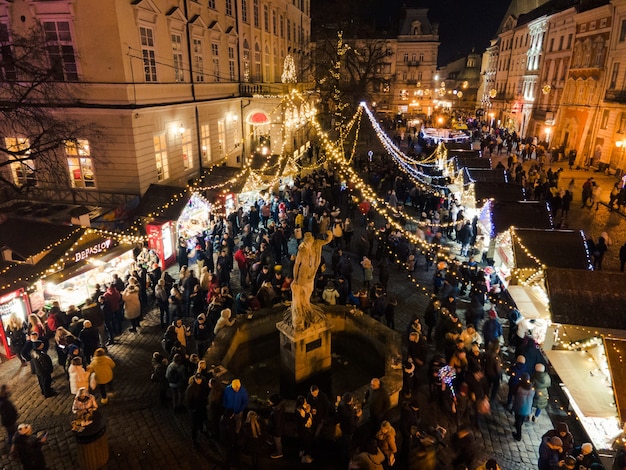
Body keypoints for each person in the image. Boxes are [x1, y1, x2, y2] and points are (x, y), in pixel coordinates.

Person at [185, 373, 209, 444]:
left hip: (201, 407)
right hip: (195, 409)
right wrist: (192, 409)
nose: (199, 380)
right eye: (197, 379)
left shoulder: (202, 385)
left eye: (200, 379)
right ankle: (194, 438)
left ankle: (201, 429)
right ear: (195, 379)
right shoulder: (190, 388)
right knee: (194, 424)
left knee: (201, 420)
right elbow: (187, 400)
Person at [512, 373, 535, 441]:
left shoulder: (519, 387)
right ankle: (518, 425)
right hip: (527, 408)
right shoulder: (532, 388)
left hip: (519, 407)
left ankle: (518, 435)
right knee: (521, 419)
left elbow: (513, 392)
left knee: (518, 421)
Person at [295, 395, 314, 464]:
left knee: (304, 443)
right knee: (306, 443)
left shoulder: (302, 408)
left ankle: (302, 453)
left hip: (304, 429)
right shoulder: (299, 411)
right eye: (304, 401)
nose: (306, 402)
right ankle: (305, 458)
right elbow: (303, 421)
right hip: (303, 429)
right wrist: (308, 414)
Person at [267, 394, 284, 459]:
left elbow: (276, 424)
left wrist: (271, 429)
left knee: (278, 442)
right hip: (278, 429)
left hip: (277, 431)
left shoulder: (276, 413)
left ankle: (279, 453)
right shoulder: (279, 407)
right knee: (277, 442)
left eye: (270, 401)